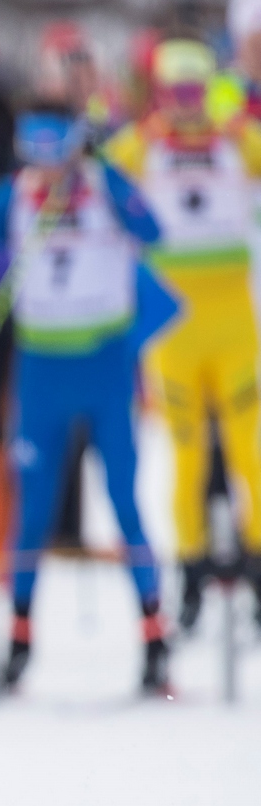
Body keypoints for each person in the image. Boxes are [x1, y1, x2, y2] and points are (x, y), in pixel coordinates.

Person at [0, 101, 170, 693]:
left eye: (55, 149)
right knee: (33, 511)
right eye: (34, 149)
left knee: (124, 502)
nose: (46, 164)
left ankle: (155, 639)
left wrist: (106, 173)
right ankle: (18, 641)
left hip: (104, 366)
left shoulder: (101, 184)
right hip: (41, 368)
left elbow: (152, 231)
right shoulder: (15, 194)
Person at [106, 39, 261, 630]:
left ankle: (255, 564)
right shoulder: (142, 146)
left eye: (196, 92)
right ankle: (191, 570)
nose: (186, 105)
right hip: (172, 326)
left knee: (250, 453)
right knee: (187, 455)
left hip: (233, 321)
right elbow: (93, 177)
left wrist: (239, 126)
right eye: (176, 93)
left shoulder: (235, 142)